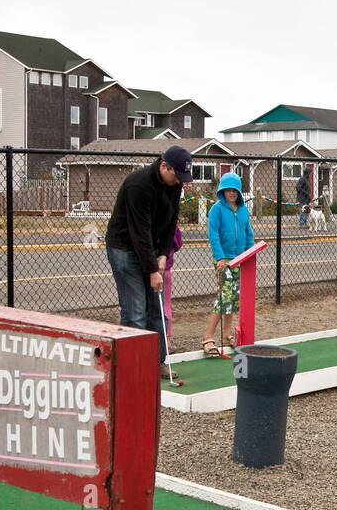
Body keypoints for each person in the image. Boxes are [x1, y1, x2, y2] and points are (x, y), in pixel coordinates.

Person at [105, 145, 192, 365]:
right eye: (176, 175)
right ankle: (134, 366)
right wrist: (153, 270)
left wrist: (163, 255)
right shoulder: (139, 184)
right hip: (124, 247)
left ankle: (157, 363)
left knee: (157, 310)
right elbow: (139, 231)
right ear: (164, 165)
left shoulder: (174, 185)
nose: (179, 181)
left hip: (150, 247)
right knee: (135, 312)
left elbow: (171, 222)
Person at [203, 172, 254, 356]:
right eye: (228, 190)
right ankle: (208, 337)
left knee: (233, 299)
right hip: (224, 260)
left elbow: (248, 233)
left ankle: (225, 336)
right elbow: (213, 235)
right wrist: (220, 258)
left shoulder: (243, 210)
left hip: (240, 259)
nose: (231, 194)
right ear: (222, 191)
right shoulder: (216, 210)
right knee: (224, 297)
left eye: (235, 190)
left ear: (239, 192)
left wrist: (250, 253)